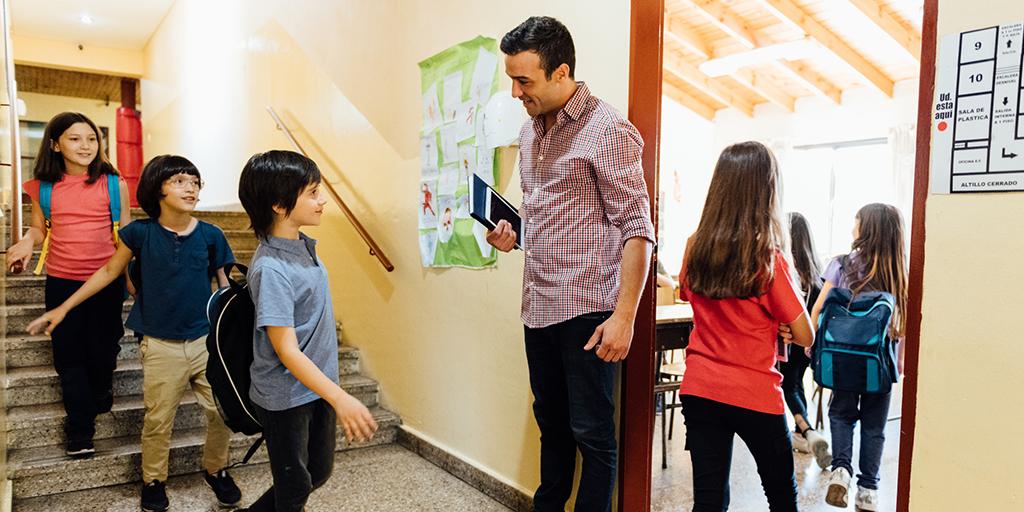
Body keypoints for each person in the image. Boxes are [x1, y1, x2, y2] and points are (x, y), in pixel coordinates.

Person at [487, 16, 655, 512]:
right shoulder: (530, 131)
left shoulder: (608, 130)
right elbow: (551, 216)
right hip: (537, 308)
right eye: (512, 80)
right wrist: (512, 235)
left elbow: (637, 228)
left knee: (592, 435)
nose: (517, 92)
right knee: (552, 427)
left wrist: (624, 316)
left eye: (525, 81)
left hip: (587, 313)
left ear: (561, 73)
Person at [27, 155, 243, 511]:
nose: (190, 188)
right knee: (159, 419)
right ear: (157, 188)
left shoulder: (211, 235)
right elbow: (109, 272)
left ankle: (216, 468)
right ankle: (153, 480)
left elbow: (224, 288)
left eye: (195, 182)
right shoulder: (139, 233)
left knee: (221, 411)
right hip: (160, 344)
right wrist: (63, 308)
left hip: (205, 342)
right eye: (179, 181)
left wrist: (233, 335)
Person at [235, 150, 378, 512]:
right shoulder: (271, 268)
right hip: (284, 396)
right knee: (295, 483)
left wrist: (331, 393)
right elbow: (287, 350)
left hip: (316, 386)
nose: (322, 200)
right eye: (313, 192)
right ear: (280, 205)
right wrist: (341, 398)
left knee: (318, 472)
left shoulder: (301, 248)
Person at [677, 141, 814, 512]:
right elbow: (805, 335)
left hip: (700, 386)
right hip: (754, 391)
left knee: (708, 499)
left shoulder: (694, 246)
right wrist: (777, 324)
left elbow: (690, 295)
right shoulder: (768, 258)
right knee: (782, 496)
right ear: (767, 191)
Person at [5, 112, 130, 458]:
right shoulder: (43, 187)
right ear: (55, 144)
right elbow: (39, 229)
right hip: (60, 281)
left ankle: (102, 387)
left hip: (106, 282)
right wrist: (28, 241)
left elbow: (127, 240)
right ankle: (80, 429)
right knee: (68, 355)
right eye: (75, 139)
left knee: (103, 351)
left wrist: (131, 280)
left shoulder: (113, 184)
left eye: (91, 138)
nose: (85, 146)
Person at [813, 203, 907, 512]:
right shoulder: (899, 272)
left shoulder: (841, 265)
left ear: (864, 228)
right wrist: (900, 362)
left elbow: (819, 311)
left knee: (840, 414)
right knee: (874, 426)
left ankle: (841, 470)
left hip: (842, 360)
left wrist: (813, 344)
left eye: (856, 220)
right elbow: (903, 325)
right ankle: (868, 490)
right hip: (879, 364)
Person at [781, 212, 832, 469]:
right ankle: (802, 436)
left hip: (787, 340)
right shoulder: (817, 274)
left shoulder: (788, 272)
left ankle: (808, 431)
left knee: (787, 386)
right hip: (809, 345)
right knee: (796, 383)